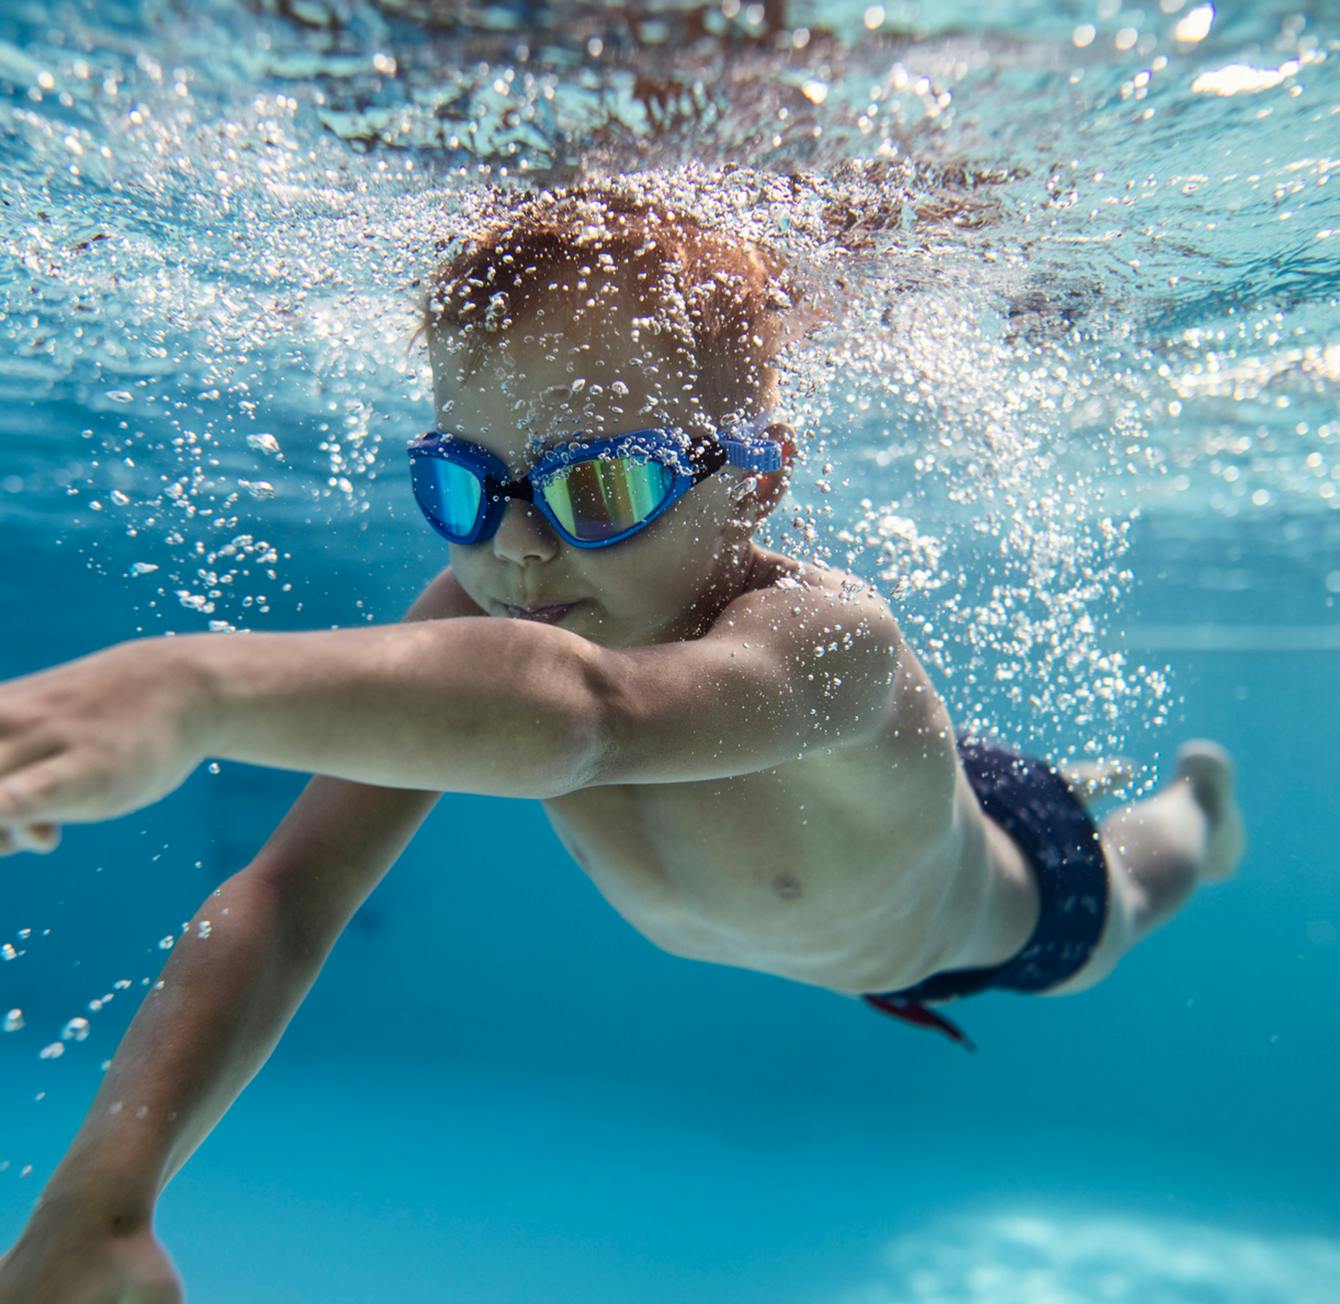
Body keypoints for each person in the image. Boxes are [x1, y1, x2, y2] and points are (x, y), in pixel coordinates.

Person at [0, 185, 1243, 1301]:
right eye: (464, 488)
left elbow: (593, 715)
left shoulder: (828, 638)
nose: (521, 548)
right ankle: (1038, 781)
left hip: (991, 910)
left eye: (598, 488)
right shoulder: (489, 611)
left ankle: (1191, 800)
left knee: (1134, 879)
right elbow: (287, 891)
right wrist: (103, 1195)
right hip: (857, 802)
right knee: (947, 786)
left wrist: (191, 688)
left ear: (754, 485)